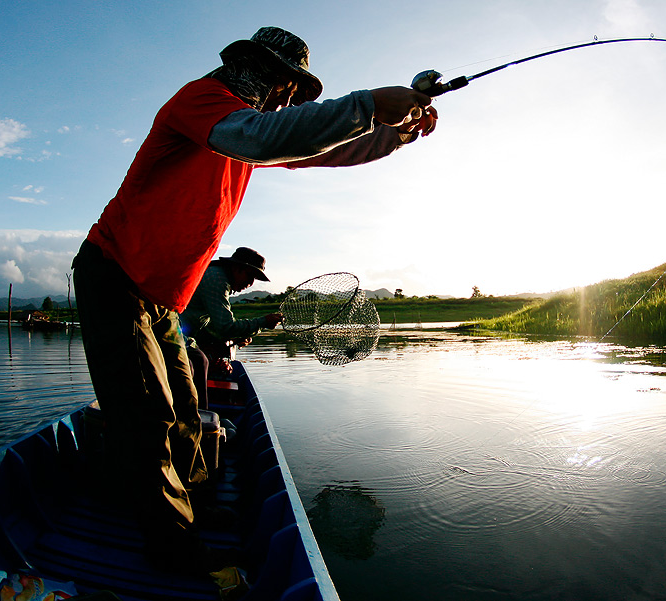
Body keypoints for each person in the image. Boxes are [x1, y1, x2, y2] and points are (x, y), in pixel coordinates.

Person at [71, 26, 437, 575]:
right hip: (115, 277)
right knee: (146, 420)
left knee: (187, 409)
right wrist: (367, 104)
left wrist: (397, 132)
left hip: (162, 301)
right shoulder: (207, 105)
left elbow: (323, 150)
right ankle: (176, 553)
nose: (289, 98)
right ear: (256, 70)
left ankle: (195, 507)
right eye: (286, 85)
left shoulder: (249, 134)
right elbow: (268, 136)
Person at [180, 247, 281, 410]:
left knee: (207, 356)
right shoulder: (217, 279)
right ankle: (200, 419)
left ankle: (201, 415)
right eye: (249, 275)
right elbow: (226, 326)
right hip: (174, 330)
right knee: (199, 361)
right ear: (236, 268)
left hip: (188, 332)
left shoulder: (217, 276)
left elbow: (213, 325)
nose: (250, 284)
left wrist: (233, 338)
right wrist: (263, 322)